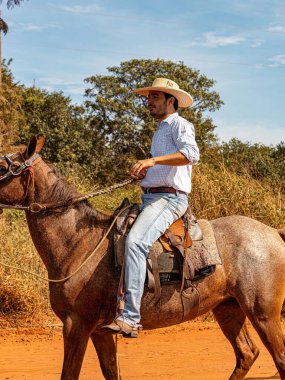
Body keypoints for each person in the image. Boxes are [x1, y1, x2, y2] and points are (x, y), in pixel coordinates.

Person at [104, 77, 200, 336]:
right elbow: (163, 169)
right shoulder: (160, 130)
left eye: (154, 97)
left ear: (171, 101)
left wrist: (151, 161)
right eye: (148, 98)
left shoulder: (179, 124)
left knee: (135, 241)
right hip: (151, 197)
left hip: (170, 199)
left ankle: (131, 317)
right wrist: (144, 174)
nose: (149, 102)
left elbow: (191, 155)